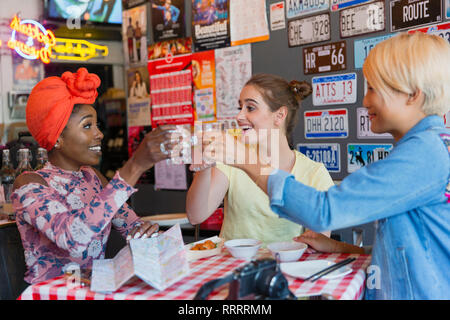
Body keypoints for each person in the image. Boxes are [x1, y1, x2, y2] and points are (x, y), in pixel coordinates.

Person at [206, 33, 450, 299]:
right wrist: (339, 247)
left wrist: (249, 163)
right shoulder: (429, 147)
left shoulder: (422, 154)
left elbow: (324, 211)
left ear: (413, 94)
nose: (365, 101)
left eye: (373, 89)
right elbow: (408, 250)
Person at [12, 68, 179, 284]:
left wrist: (143, 232)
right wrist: (135, 165)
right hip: (52, 294)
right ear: (57, 138)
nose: (99, 134)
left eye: (96, 125)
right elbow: (73, 238)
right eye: (87, 126)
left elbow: (130, 225)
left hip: (96, 288)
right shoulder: (29, 183)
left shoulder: (92, 177)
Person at [186, 74, 335, 245]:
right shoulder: (231, 158)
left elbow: (319, 242)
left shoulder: (313, 173)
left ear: (279, 115)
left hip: (283, 267)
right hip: (232, 267)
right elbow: (195, 216)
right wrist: (203, 168)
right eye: (239, 108)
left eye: (250, 108)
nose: (239, 117)